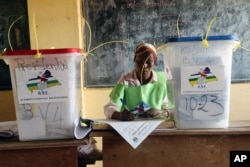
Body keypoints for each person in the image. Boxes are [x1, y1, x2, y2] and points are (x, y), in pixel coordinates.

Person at [104, 43, 169, 121]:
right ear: (135, 60)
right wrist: (119, 115)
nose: (144, 65)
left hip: (157, 129)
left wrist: (160, 112)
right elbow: (108, 109)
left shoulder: (163, 80)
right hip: (130, 129)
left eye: (149, 61)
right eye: (140, 61)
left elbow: (172, 110)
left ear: (154, 62)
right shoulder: (125, 81)